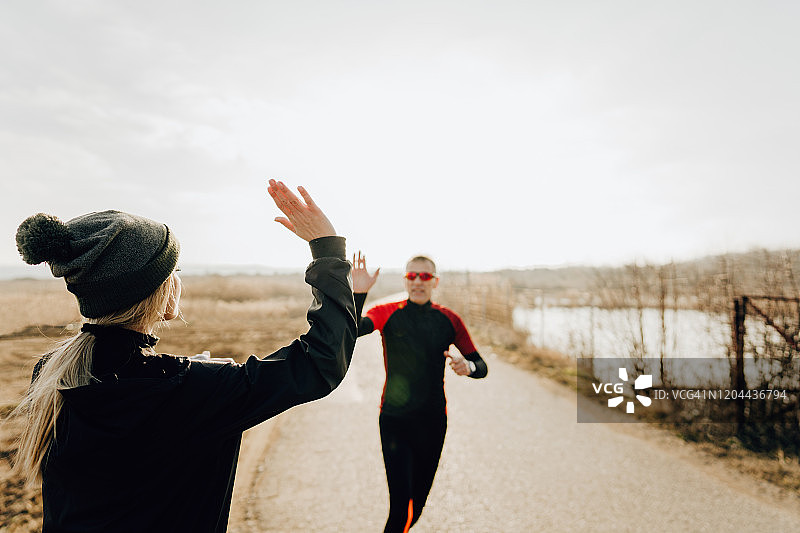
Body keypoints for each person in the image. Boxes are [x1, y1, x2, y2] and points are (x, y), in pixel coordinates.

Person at [11, 180, 356, 533]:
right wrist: (327, 250)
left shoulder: (52, 373)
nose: (178, 278)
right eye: (173, 270)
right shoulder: (192, 389)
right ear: (156, 288)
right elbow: (320, 361)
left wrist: (203, 373)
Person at [351, 251, 488, 533]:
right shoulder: (388, 313)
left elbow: (481, 365)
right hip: (394, 420)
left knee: (417, 507)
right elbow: (351, 329)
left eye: (424, 276)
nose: (418, 281)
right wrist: (358, 293)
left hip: (433, 421)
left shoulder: (449, 320)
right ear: (405, 280)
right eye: (411, 275)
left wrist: (468, 367)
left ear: (435, 282)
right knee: (401, 508)